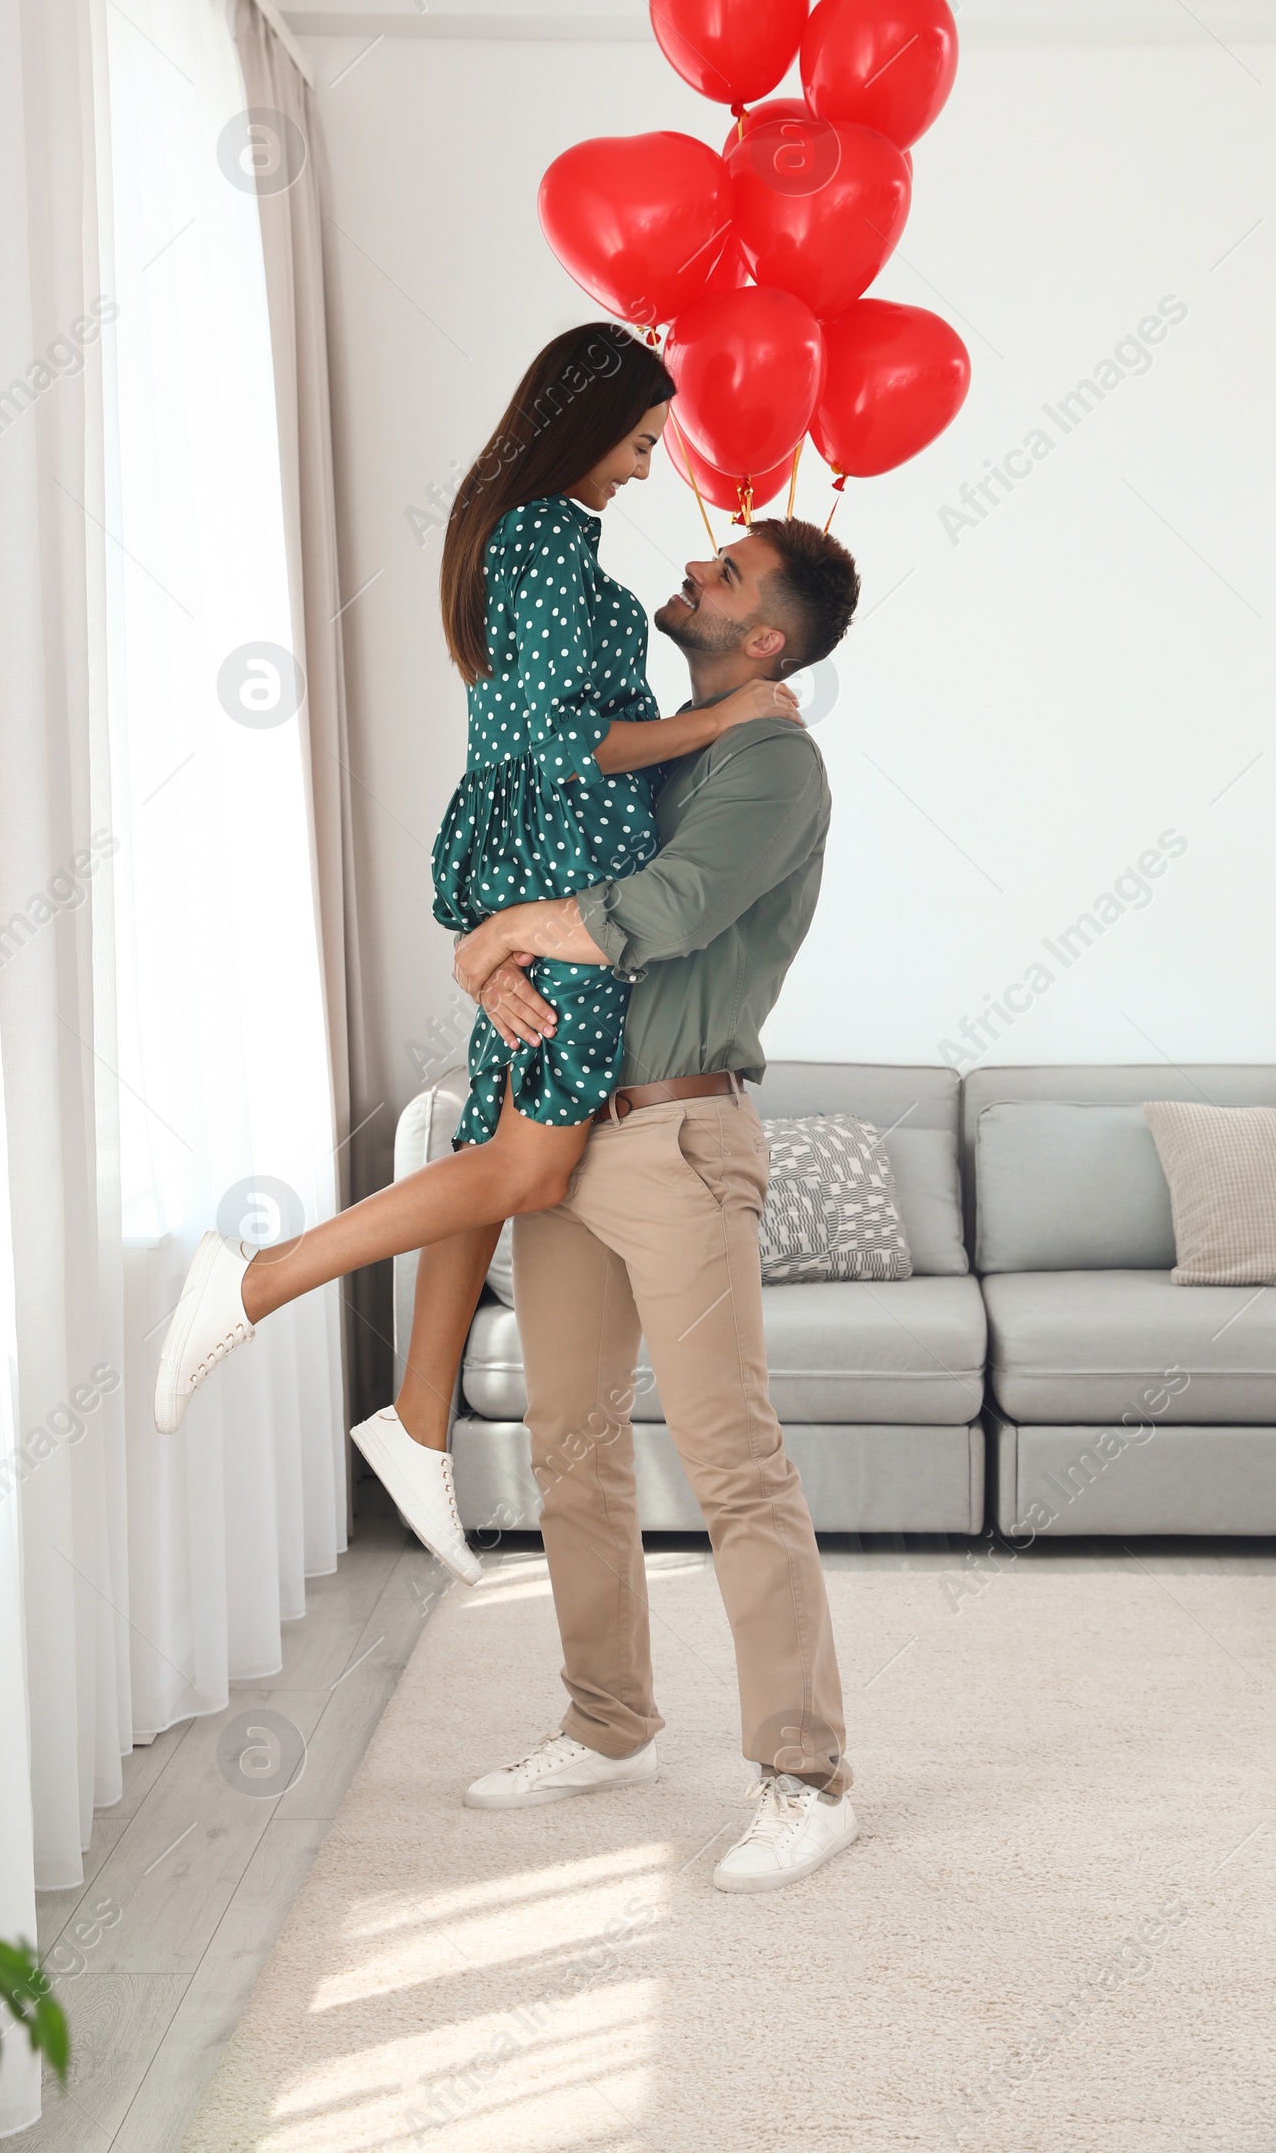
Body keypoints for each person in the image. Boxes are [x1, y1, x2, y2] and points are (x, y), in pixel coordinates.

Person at [151, 323, 802, 1585]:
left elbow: (554, 736)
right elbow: (572, 748)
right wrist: (720, 714)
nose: (641, 469)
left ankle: (414, 1421)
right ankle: (251, 1282)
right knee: (531, 1163)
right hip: (559, 880)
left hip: (540, 874)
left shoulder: (527, 539)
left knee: (492, 1152)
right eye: (634, 442)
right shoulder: (548, 545)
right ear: (582, 424)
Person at [449, 511, 864, 1896]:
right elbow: (543, 889)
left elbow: (668, 910)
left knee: (733, 1461)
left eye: (727, 573)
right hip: (565, 1125)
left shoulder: (773, 762)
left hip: (680, 1133)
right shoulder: (644, 740)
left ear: (765, 640)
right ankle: (607, 1718)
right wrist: (492, 954)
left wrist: (515, 930)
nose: (693, 565)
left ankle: (805, 1777)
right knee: (567, 1445)